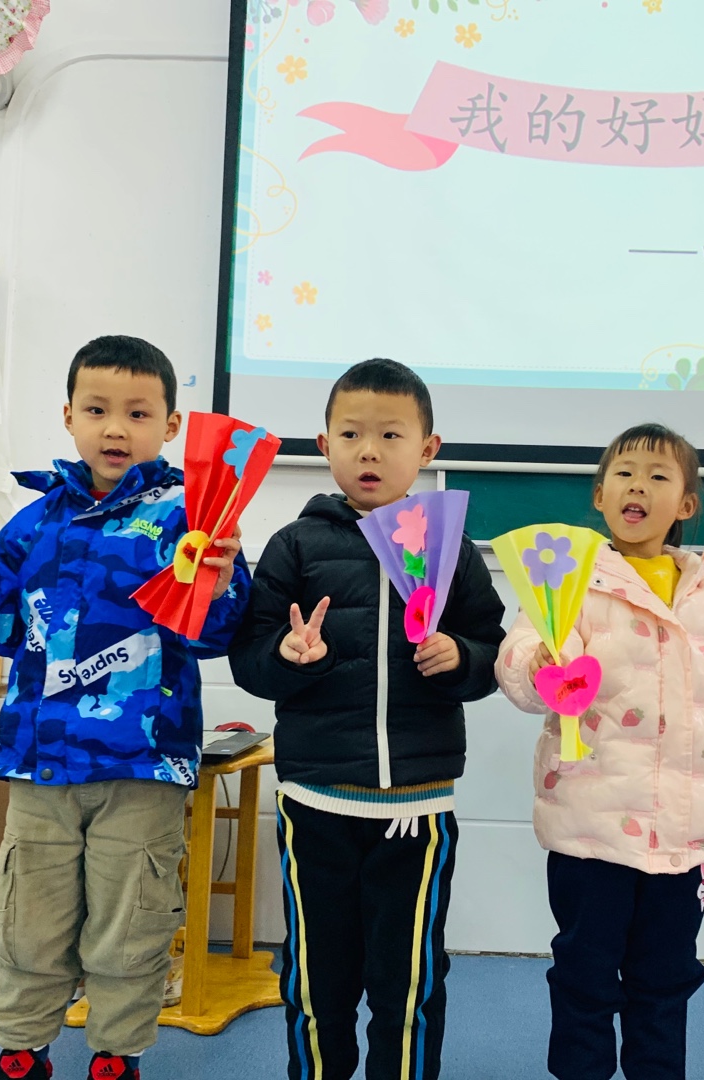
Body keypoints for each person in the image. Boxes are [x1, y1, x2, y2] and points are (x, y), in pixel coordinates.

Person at [0, 336, 250, 1080]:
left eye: (138, 413)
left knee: (131, 925)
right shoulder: (34, 524)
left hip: (143, 765)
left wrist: (222, 580)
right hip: (42, 764)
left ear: (171, 426)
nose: (115, 428)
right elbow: (5, 629)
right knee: (28, 920)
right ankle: (21, 1049)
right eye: (97, 410)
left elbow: (215, 636)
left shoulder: (194, 519)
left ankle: (116, 1056)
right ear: (68, 416)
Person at [495, 422, 704, 1080]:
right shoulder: (569, 584)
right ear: (600, 495)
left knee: (665, 980)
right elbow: (521, 661)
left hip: (688, 838)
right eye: (625, 474)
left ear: (685, 504)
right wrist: (538, 663)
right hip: (590, 829)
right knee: (583, 973)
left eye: (658, 476)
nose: (639, 485)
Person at [228, 358, 506, 1080]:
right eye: (351, 434)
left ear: (428, 448)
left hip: (416, 806)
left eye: (391, 434)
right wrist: (291, 656)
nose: (370, 451)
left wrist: (463, 657)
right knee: (316, 978)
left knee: (407, 982)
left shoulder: (449, 548)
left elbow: (493, 652)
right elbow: (250, 660)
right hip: (315, 801)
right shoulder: (295, 544)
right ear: (324, 445)